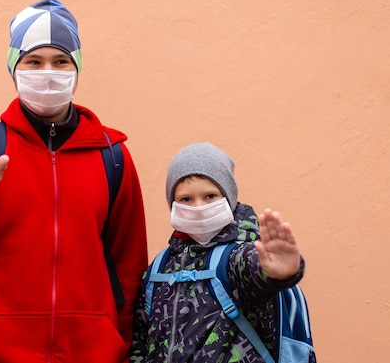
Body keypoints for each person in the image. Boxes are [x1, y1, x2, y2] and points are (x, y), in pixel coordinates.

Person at [0, 0, 148, 363]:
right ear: (15, 69)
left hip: (89, 352)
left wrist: (118, 344)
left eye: (61, 61)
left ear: (76, 69)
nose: (48, 73)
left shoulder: (112, 155)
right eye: (34, 61)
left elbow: (129, 264)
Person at [130, 142, 306, 362]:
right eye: (186, 199)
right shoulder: (158, 268)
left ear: (228, 197)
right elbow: (139, 343)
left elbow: (253, 271)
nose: (198, 207)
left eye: (210, 196)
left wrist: (278, 273)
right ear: (172, 203)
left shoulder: (238, 256)